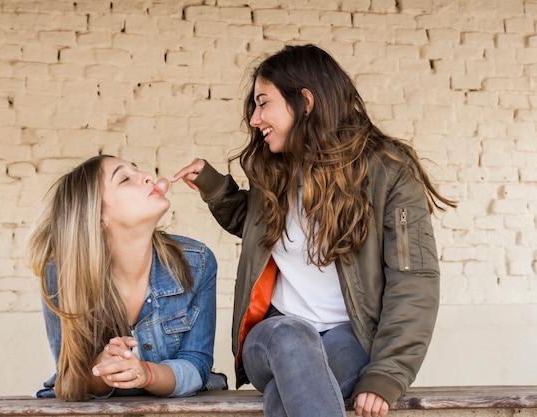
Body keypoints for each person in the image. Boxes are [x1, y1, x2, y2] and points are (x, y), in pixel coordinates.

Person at [173, 44, 456, 417]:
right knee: (293, 335)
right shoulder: (273, 168)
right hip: (274, 334)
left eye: (263, 103)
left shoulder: (388, 171)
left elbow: (413, 280)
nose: (256, 119)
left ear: (305, 101)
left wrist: (388, 373)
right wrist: (215, 187)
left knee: (284, 399)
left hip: (349, 337)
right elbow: (261, 230)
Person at [27, 154, 226, 402]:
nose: (147, 177)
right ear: (99, 217)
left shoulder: (198, 263)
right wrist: (101, 370)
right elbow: (69, 377)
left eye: (137, 169)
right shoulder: (61, 275)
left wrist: (147, 374)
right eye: (124, 179)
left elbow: (197, 365)